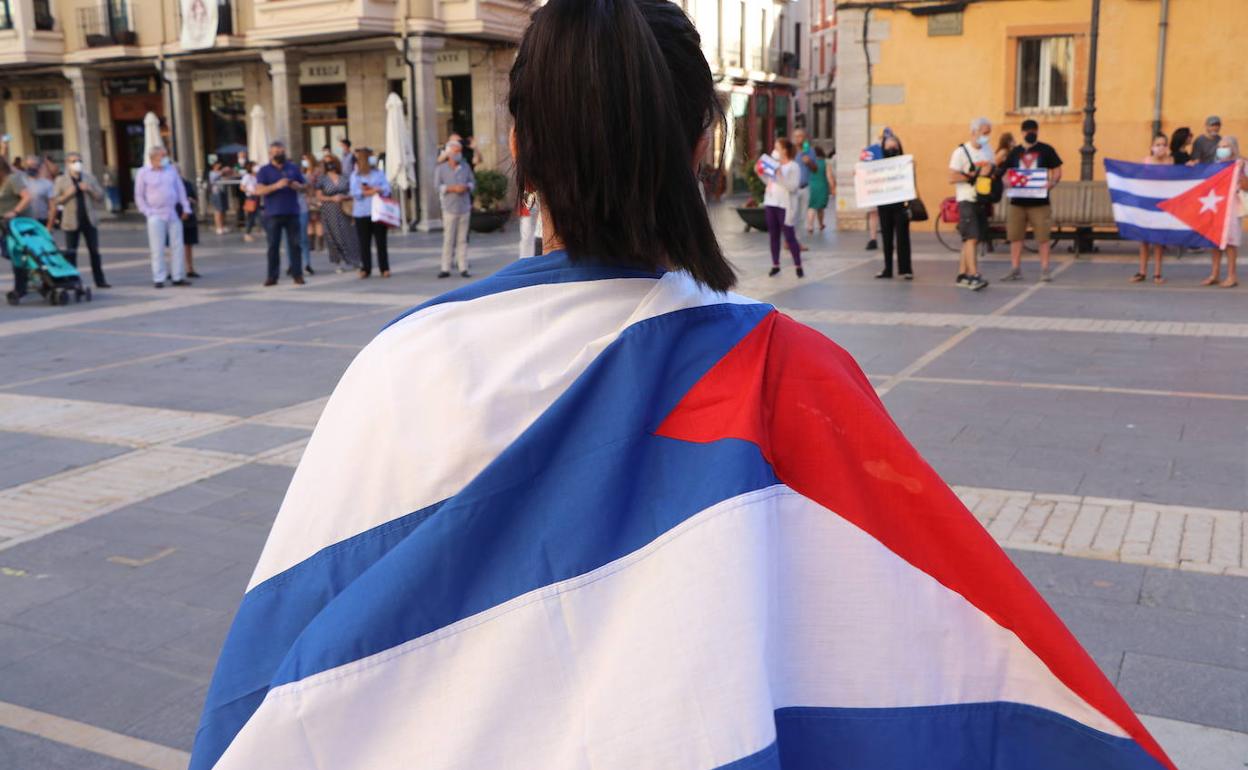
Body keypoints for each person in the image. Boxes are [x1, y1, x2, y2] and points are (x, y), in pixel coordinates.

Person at [190, 4, 1176, 769]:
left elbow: (274, 681)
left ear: (519, 148)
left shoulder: (402, 366)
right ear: (704, 141)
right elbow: (963, 650)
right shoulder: (789, 375)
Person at [1001, 118, 1062, 282]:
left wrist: (1052, 183)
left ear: (1037, 132)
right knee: (1015, 237)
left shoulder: (1046, 150)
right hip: (1017, 202)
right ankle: (1015, 269)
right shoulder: (1015, 152)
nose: (1031, 134)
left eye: (1033, 131)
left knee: (1043, 237)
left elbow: (1057, 170)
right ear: (1022, 133)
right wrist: (1006, 182)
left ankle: (1045, 270)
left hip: (1039, 202)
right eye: (1028, 131)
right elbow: (1006, 172)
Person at [133, 146, 191, 289]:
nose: (165, 158)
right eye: (162, 156)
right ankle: (159, 277)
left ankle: (177, 276)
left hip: (172, 212)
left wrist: (186, 207)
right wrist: (147, 211)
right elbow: (139, 195)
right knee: (157, 247)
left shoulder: (171, 171)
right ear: (154, 158)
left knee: (177, 245)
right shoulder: (143, 173)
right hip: (155, 214)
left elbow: (180, 190)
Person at [50, 152, 109, 289]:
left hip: (89, 220)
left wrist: (89, 190)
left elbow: (100, 197)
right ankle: (72, 280)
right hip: (71, 221)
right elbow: (55, 200)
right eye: (73, 161)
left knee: (94, 251)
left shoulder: (88, 178)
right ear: (67, 164)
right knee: (71, 252)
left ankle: (100, 280)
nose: (77, 163)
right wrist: (68, 194)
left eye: (79, 160)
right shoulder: (61, 180)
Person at [948, 117, 992, 290]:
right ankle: (974, 275)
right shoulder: (960, 152)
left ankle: (962, 274)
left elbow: (992, 169)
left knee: (972, 239)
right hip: (966, 198)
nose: (987, 136)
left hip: (981, 198)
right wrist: (973, 176)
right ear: (974, 132)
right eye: (984, 133)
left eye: (989, 133)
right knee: (971, 238)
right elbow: (951, 177)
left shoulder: (988, 150)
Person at [255, 140, 306, 287]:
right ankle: (272, 276)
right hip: (273, 214)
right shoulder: (264, 170)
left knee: (296, 245)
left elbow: (303, 187)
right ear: (270, 154)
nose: (279, 154)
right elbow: (259, 190)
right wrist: (277, 185)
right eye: (276, 152)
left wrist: (297, 186)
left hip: (292, 212)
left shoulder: (293, 168)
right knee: (273, 246)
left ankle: (298, 274)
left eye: (281, 152)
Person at [1202, 136, 1244, 288]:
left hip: (1233, 207)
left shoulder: (1242, 164)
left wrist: (1240, 176)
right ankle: (1215, 274)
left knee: (1230, 242)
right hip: (1217, 205)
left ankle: (1232, 276)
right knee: (1215, 241)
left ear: (1233, 148)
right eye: (1220, 146)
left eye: (1226, 146)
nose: (1222, 149)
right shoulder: (1216, 165)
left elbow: (1246, 186)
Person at [1132, 133, 1170, 285]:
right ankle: (1142, 271)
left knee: (1158, 241)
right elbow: (1138, 179)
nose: (1160, 147)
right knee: (1144, 240)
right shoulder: (1146, 161)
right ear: (1152, 147)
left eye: (1163, 144)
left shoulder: (1170, 162)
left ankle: (1157, 273)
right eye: (1158, 144)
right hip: (1146, 203)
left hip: (1162, 204)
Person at [434, 139, 476, 278]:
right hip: (449, 208)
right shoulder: (441, 168)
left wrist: (466, 187)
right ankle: (445, 267)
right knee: (448, 239)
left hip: (464, 207)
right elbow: (437, 186)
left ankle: (463, 267)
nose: (459, 154)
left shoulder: (465, 167)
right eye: (456, 152)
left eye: (460, 151)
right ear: (450, 153)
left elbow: (472, 182)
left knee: (462, 239)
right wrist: (452, 188)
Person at [349, 147, 391, 278]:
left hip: (378, 212)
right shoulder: (355, 175)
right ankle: (365, 268)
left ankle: (384, 268)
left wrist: (374, 189)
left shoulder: (378, 173)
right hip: (362, 212)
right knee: (364, 242)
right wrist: (369, 192)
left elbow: (387, 188)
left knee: (381, 242)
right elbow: (355, 192)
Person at [763, 137, 803, 278]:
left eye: (777, 148)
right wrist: (760, 172)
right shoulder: (774, 165)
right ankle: (775, 265)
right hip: (771, 202)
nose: (775, 150)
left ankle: (798, 265)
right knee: (773, 235)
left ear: (784, 150)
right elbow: (767, 181)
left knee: (789, 236)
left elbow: (792, 187)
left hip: (785, 206)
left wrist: (780, 175)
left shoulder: (793, 166)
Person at [315, 155, 361, 272]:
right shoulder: (322, 179)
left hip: (345, 209)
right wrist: (332, 199)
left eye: (331, 162)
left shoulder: (345, 177)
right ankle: (338, 262)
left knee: (349, 235)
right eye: (326, 163)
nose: (330, 165)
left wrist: (344, 196)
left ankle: (355, 260)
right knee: (333, 236)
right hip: (329, 211)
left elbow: (353, 192)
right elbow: (319, 196)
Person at [875, 134, 912, 279]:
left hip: (900, 204)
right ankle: (887, 269)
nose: (891, 149)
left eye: (894, 146)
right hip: (884, 204)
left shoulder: (905, 162)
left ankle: (906, 269)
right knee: (886, 238)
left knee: (903, 237)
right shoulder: (878, 165)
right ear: (883, 148)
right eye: (888, 146)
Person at [1, 157, 34, 303]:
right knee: (10, 253)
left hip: (17, 225)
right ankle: (28, 276)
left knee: (17, 255)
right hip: (3, 226)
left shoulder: (12, 179)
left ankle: (20, 288)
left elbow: (27, 197)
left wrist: (15, 211)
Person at [792, 128, 817, 248]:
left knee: (801, 216)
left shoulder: (810, 151)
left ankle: (797, 241)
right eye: (796, 136)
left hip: (805, 187)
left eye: (801, 136)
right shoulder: (791, 151)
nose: (798, 139)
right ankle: (790, 240)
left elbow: (815, 169)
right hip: (792, 188)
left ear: (805, 138)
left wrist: (809, 162)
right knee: (792, 215)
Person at [805, 147, 833, 233]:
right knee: (820, 208)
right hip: (822, 186)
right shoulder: (825, 163)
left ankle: (810, 226)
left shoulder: (809, 163)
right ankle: (821, 224)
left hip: (810, 186)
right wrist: (833, 187)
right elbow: (829, 177)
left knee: (811, 206)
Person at [296, 154, 315, 275]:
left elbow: (310, 190)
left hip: (302, 209)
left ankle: (306, 263)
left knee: (303, 237)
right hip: (289, 211)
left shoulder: (303, 177)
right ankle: (292, 264)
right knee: (290, 239)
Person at [180, 172, 201, 278]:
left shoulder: (186, 183)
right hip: (173, 216)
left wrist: (191, 200)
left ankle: (189, 268)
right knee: (174, 245)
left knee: (188, 243)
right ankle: (175, 269)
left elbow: (194, 198)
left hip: (188, 217)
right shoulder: (167, 183)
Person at [22, 157, 53, 226]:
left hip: (42, 220)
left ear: (39, 167)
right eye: (28, 165)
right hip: (24, 221)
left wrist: (49, 226)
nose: (30, 167)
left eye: (33, 165)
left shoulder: (47, 183)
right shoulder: (20, 182)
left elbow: (52, 206)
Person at [303, 153, 324, 256]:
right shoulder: (304, 170)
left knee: (317, 220)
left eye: (305, 159)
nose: (304, 161)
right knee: (309, 221)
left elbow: (319, 184)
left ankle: (320, 242)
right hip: (307, 198)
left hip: (315, 198)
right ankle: (311, 243)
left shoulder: (317, 171)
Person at [517, 192, 543, 259]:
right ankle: (525, 259)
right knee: (527, 234)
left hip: (543, 195)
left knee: (539, 232)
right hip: (530, 196)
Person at [208, 160, 231, 234]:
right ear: (214, 165)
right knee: (218, 210)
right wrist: (222, 171)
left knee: (223, 210)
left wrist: (227, 172)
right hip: (216, 192)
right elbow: (213, 179)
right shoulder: (212, 173)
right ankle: (218, 227)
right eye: (218, 165)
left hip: (223, 192)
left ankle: (223, 225)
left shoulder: (222, 173)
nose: (219, 166)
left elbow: (227, 179)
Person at [240, 162, 260, 242]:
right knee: (251, 216)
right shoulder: (247, 176)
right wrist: (250, 191)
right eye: (254, 166)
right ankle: (247, 234)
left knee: (259, 215)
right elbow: (242, 187)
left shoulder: (256, 176)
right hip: (250, 197)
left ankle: (258, 230)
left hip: (257, 197)